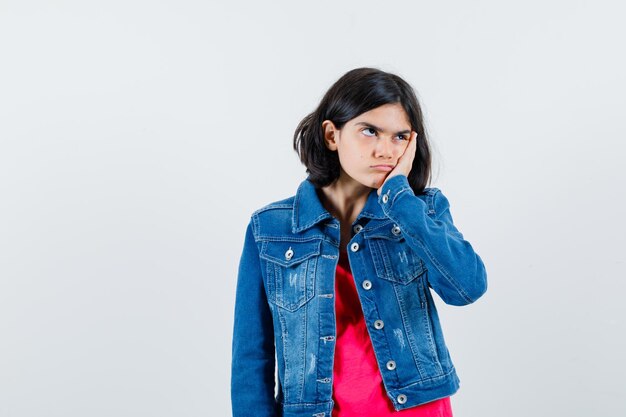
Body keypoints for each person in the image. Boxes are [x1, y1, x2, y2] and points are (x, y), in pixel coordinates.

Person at [231, 67, 488, 417]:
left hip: (415, 408)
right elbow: (251, 354)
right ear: (331, 135)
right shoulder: (271, 228)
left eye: (400, 137)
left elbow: (467, 288)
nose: (386, 150)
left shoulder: (422, 209)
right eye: (370, 131)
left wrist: (399, 199)